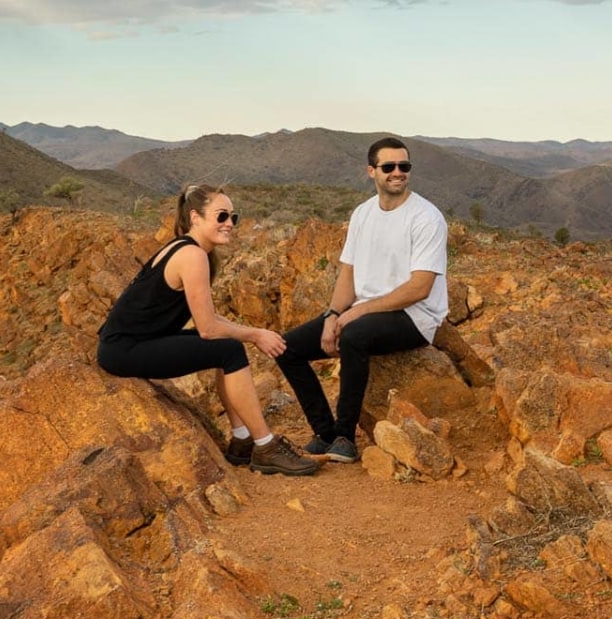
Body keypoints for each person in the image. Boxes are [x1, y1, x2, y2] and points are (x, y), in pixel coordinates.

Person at [97, 184, 320, 476]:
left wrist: (250, 332)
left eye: (233, 217)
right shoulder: (192, 255)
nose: (229, 224)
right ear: (195, 217)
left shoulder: (190, 249)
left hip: (133, 343)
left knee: (228, 348)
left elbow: (209, 318)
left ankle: (242, 440)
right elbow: (208, 329)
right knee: (227, 348)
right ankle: (265, 446)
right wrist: (255, 335)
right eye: (222, 216)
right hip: (124, 351)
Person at [274, 136, 449, 463]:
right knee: (287, 348)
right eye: (389, 167)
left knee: (354, 334)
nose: (398, 172)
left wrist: (358, 312)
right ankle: (324, 432)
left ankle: (344, 436)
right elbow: (348, 273)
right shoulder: (363, 214)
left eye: (404, 166)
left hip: (415, 316)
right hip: (368, 312)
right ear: (371, 171)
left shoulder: (426, 217)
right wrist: (333, 314)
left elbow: (420, 287)